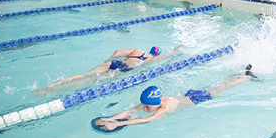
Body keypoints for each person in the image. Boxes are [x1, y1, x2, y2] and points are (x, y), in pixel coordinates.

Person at [94, 65, 257, 131]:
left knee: (222, 88)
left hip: (197, 98)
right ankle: (236, 74)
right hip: (188, 95)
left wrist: (118, 124)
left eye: (147, 107)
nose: (143, 109)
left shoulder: (163, 107)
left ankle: (246, 77)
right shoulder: (154, 101)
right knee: (218, 85)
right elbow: (130, 110)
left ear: (156, 105)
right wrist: (109, 118)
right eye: (143, 106)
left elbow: (145, 120)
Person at [36, 45, 184, 92]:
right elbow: (170, 56)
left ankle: (53, 85)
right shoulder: (153, 59)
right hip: (121, 70)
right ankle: (59, 91)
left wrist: (108, 61)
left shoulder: (137, 50)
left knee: (84, 74)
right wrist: (179, 48)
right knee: (89, 81)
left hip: (113, 64)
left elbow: (117, 53)